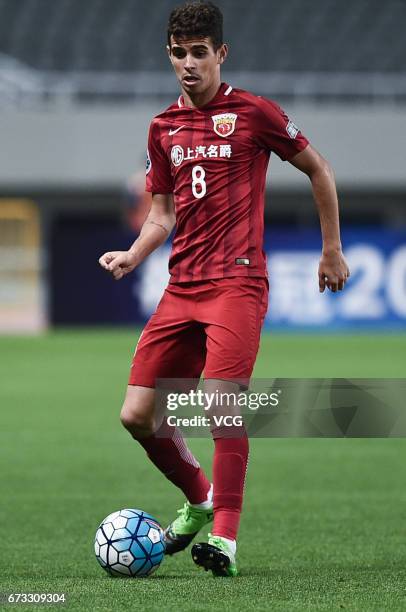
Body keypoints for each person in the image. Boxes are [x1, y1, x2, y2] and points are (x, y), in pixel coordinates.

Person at [99, 0, 350, 577]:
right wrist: (134, 255)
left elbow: (319, 169)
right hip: (182, 287)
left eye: (199, 53)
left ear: (221, 53)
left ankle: (226, 541)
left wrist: (331, 249)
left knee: (219, 403)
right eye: (178, 54)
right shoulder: (162, 127)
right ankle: (199, 497)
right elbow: (161, 213)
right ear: (170, 55)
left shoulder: (255, 113)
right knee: (136, 414)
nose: (189, 64)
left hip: (237, 282)